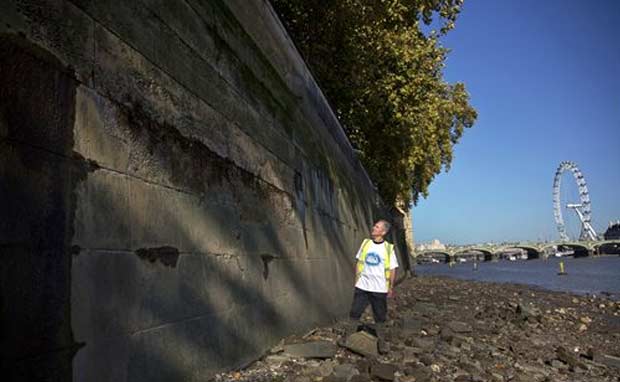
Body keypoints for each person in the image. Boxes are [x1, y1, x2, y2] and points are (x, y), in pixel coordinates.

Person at [344, 220, 399, 354]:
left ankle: (382, 342)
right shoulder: (366, 243)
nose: (373, 228)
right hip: (363, 286)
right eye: (374, 225)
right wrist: (357, 279)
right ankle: (347, 337)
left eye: (377, 227)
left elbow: (392, 269)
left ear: (383, 232)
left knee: (380, 316)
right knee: (355, 312)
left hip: (379, 288)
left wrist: (390, 287)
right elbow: (359, 261)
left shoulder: (388, 248)